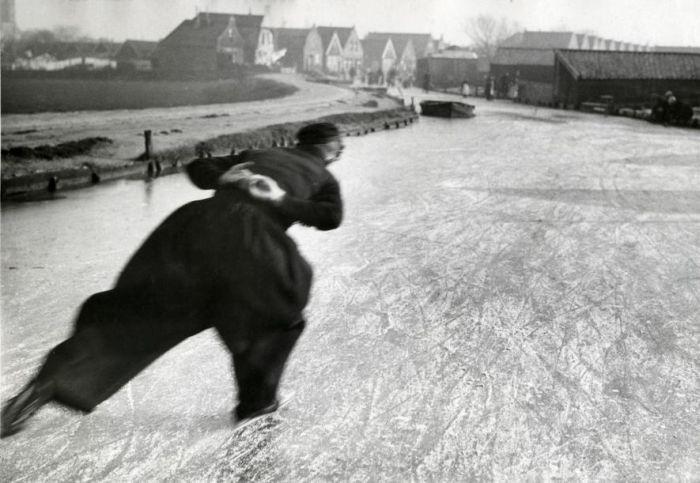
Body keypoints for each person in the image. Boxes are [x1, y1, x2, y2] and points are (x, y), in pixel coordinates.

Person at [1, 122, 345, 438]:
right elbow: (331, 217)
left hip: (194, 230)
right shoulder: (324, 178)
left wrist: (224, 179)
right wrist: (280, 198)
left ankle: (46, 385)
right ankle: (258, 407)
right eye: (338, 145)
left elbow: (197, 166)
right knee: (272, 325)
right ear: (326, 147)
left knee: (143, 313)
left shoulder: (261, 153)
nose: (341, 151)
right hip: (254, 244)